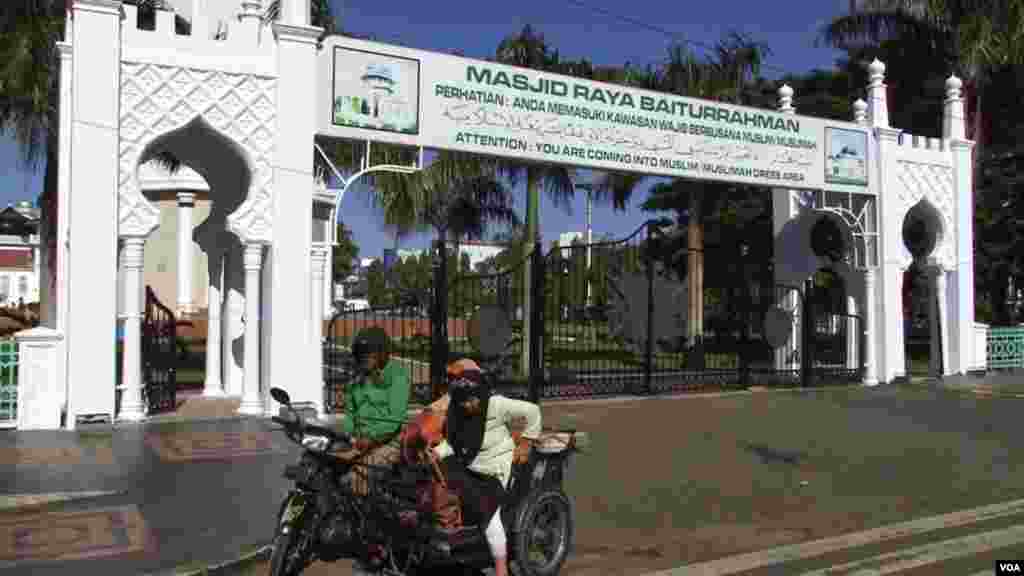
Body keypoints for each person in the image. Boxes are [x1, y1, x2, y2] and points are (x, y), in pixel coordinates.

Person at [433, 358, 542, 576]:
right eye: (463, 401)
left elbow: (532, 412)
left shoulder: (496, 404)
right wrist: (434, 452)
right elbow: (452, 442)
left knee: (489, 516)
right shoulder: (456, 411)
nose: (467, 405)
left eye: (471, 400)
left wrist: (527, 443)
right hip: (469, 465)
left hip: (495, 470)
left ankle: (501, 569)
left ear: (480, 392)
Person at [334, 326, 411, 497]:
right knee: (325, 465)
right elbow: (350, 414)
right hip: (359, 441)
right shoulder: (357, 380)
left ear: (382, 353)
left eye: (369, 354)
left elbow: (395, 418)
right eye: (361, 354)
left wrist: (370, 438)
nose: (365, 358)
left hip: (389, 442)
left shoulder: (397, 375)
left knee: (357, 476)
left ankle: (363, 520)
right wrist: (349, 437)